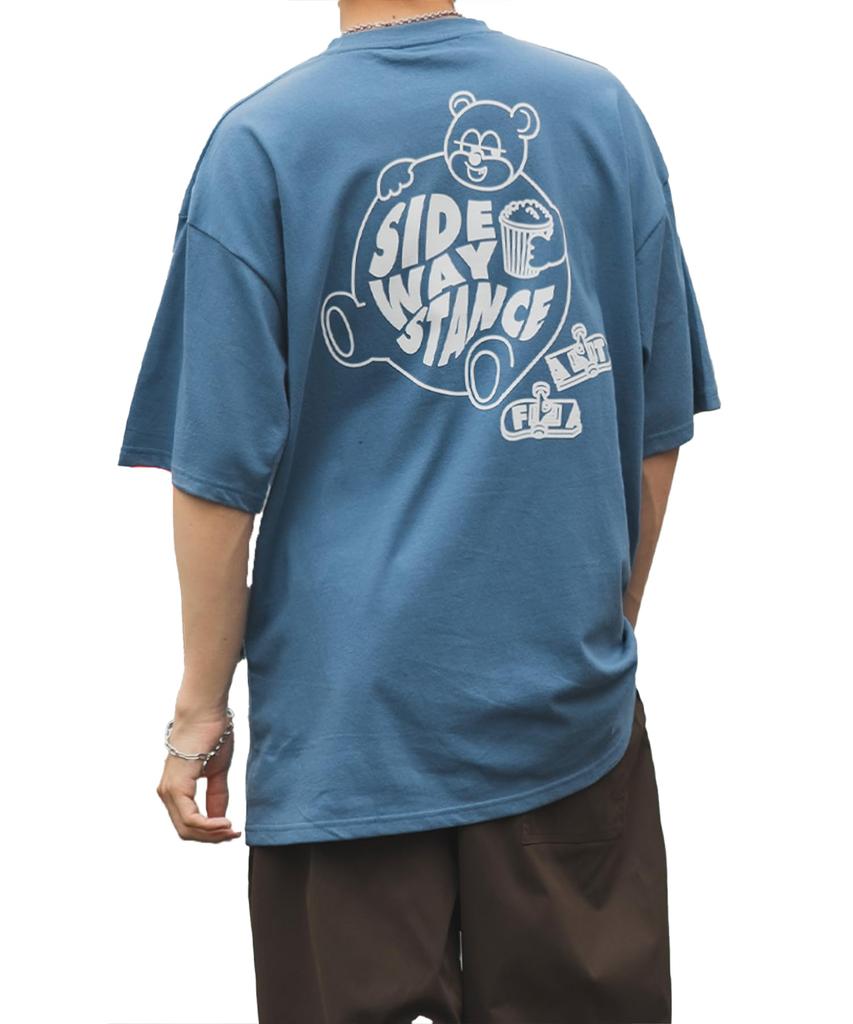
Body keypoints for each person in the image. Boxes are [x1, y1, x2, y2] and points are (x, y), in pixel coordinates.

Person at [118, 1, 720, 1020]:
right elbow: (652, 426)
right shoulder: (599, 114)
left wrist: (199, 714)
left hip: (348, 728)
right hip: (563, 709)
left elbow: (217, 475)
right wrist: (604, 621)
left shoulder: (265, 142)